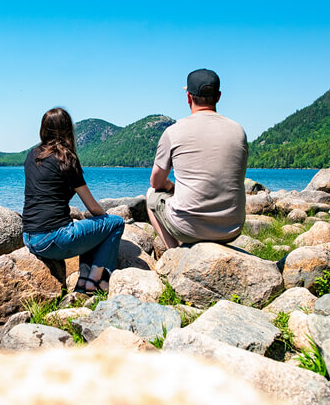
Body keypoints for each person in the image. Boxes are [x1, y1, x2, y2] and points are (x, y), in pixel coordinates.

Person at [22, 107, 125, 293]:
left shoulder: (31, 155)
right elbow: (92, 206)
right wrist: (106, 220)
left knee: (89, 227)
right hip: (52, 239)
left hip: (29, 237)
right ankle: (96, 280)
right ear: (68, 129)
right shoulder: (65, 158)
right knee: (115, 223)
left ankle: (84, 278)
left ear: (43, 128)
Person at [146, 68, 248, 249]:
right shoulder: (238, 131)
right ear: (218, 97)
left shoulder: (173, 132)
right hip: (231, 228)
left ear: (188, 97)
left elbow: (156, 182)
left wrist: (171, 187)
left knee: (151, 195)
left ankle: (174, 253)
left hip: (188, 229)